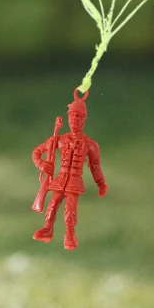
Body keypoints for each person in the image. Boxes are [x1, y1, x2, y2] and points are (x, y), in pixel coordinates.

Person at [31, 90, 107, 250]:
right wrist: (42, 164)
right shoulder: (59, 140)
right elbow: (37, 152)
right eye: (72, 116)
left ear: (84, 119)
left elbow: (95, 166)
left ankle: (70, 234)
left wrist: (101, 183)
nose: (74, 119)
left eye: (78, 116)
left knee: (70, 210)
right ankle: (48, 228)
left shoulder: (90, 145)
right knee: (52, 206)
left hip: (74, 180)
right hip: (60, 178)